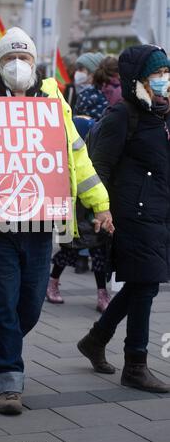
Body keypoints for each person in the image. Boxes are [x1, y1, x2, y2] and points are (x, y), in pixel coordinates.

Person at [0, 27, 114, 415]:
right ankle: (7, 377)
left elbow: (77, 158)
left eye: (25, 58)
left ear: (35, 63)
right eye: (9, 59)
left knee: (30, 304)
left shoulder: (53, 102)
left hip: (38, 222)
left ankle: (0, 349)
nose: (18, 66)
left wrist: (99, 203)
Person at [77, 45, 170, 393]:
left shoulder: (161, 114)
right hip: (131, 214)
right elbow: (97, 164)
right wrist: (99, 209)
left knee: (140, 283)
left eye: (166, 74)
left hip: (159, 212)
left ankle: (96, 338)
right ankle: (136, 364)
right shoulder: (122, 114)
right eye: (156, 75)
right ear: (137, 79)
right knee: (145, 284)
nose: (163, 80)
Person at [46, 115, 111, 313]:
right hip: (71, 215)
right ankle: (52, 283)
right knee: (68, 251)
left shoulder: (92, 158)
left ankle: (102, 293)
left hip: (91, 215)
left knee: (98, 253)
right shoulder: (61, 158)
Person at [74, 52, 107, 120]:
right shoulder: (78, 91)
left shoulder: (86, 95)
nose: (77, 73)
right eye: (76, 69)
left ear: (92, 73)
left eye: (81, 69)